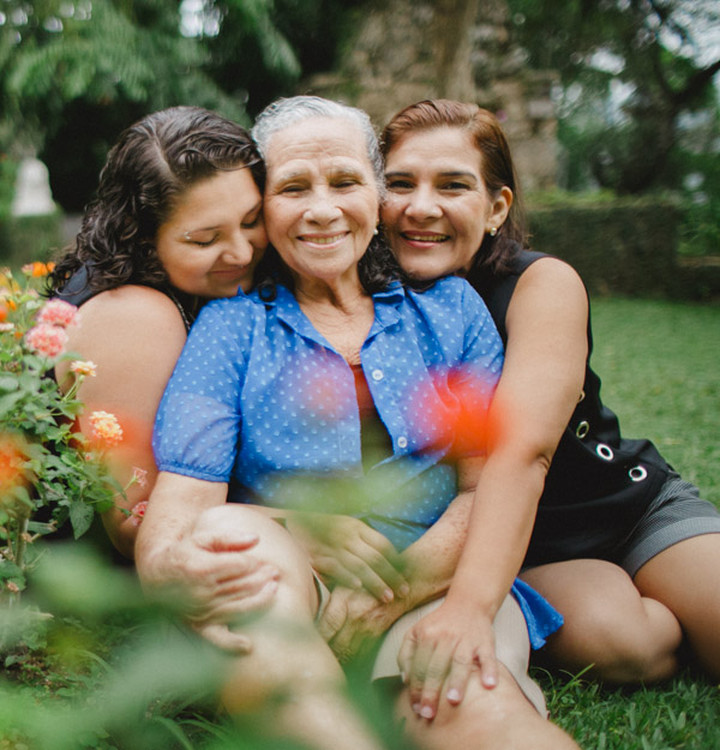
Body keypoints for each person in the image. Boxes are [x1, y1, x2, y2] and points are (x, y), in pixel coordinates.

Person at [135, 95, 577, 750]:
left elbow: (485, 488)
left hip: (434, 584)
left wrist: (394, 591)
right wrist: (263, 536)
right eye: (293, 188)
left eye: (344, 181)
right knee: (231, 531)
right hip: (291, 592)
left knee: (482, 718)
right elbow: (176, 519)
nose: (322, 209)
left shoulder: (452, 310)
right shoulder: (231, 326)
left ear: (376, 194)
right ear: (266, 206)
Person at [378, 98, 720, 720]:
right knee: (627, 645)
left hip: (625, 504)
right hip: (530, 544)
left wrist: (469, 611)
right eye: (399, 184)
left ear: (496, 207)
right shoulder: (361, 300)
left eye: (453, 185)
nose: (420, 207)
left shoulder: (539, 284)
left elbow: (524, 450)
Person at [45, 106, 268, 559]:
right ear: (143, 236)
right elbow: (137, 525)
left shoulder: (178, 290)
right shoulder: (135, 315)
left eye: (251, 221)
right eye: (205, 240)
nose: (242, 251)